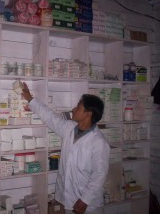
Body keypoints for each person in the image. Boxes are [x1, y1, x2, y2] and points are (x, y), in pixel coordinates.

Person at [21, 82, 110, 214]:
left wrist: (85, 200)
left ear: (88, 114)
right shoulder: (69, 128)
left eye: (79, 107)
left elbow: (99, 175)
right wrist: (30, 99)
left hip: (89, 205)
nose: (74, 109)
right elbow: (50, 117)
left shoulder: (99, 142)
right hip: (69, 200)